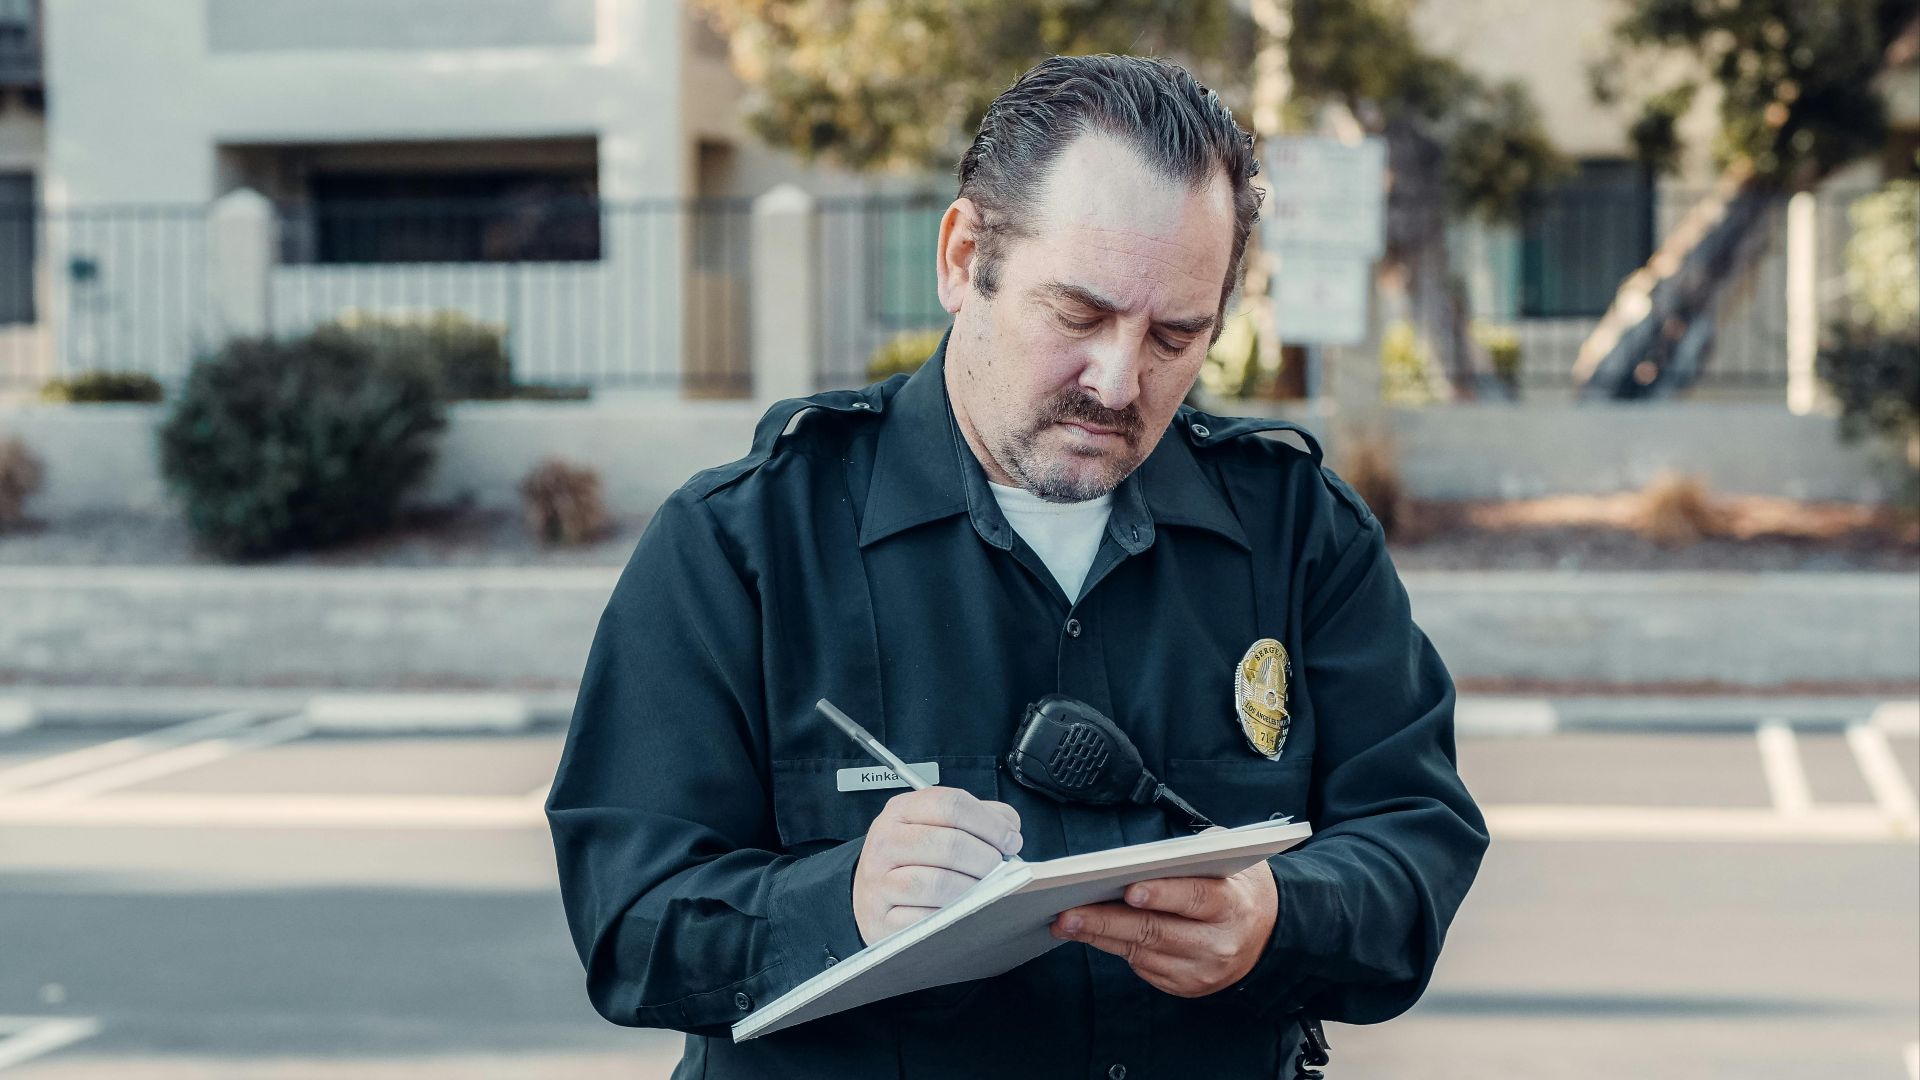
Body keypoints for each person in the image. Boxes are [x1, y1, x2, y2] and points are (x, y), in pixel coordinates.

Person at [548, 53, 1486, 1079]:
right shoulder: (743, 544)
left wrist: (1278, 917)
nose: (1120, 380)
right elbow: (628, 922)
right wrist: (843, 902)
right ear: (963, 257)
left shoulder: (1298, 532)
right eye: (1078, 316)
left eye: (1178, 334)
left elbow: (1414, 836)